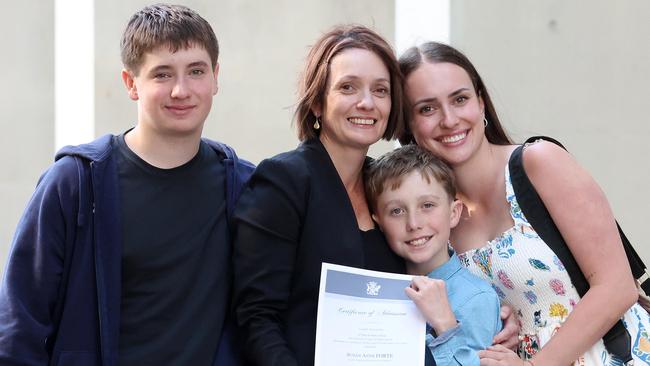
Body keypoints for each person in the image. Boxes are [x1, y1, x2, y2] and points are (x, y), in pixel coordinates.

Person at [0, 4, 253, 365]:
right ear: (131, 83)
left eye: (196, 71)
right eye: (162, 74)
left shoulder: (243, 188)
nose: (181, 90)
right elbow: (19, 321)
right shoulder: (74, 184)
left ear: (215, 77)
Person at [398, 41, 650, 365]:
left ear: (481, 103)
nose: (449, 120)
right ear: (407, 126)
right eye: (427, 109)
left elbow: (616, 287)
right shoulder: (431, 218)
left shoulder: (537, 163)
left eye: (460, 99)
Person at [231, 25, 407, 366]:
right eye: (347, 87)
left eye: (380, 90)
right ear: (316, 102)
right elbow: (257, 318)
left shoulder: (390, 186)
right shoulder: (282, 182)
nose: (366, 102)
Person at [365, 144, 502, 365]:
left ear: (453, 213)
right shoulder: (378, 290)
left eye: (427, 205)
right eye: (397, 211)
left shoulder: (476, 299)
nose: (414, 224)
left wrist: (445, 327)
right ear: (379, 222)